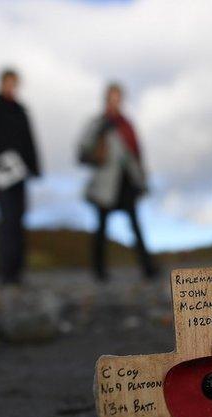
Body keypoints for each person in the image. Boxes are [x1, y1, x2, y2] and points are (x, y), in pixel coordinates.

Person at [78, 82, 157, 281]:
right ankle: (99, 271)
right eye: (112, 98)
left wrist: (141, 178)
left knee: (135, 224)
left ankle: (147, 268)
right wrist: (100, 134)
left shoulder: (126, 125)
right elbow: (83, 151)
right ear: (106, 100)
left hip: (126, 183)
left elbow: (136, 153)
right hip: (105, 185)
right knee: (102, 226)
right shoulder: (98, 123)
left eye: (118, 99)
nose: (115, 102)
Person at [0, 68, 42, 286]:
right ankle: (5, 272)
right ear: (2, 83)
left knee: (19, 218)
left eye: (15, 84)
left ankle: (17, 271)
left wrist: (35, 166)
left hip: (20, 171)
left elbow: (29, 140)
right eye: (9, 83)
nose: (12, 88)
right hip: (0, 170)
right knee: (6, 219)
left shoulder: (21, 110)